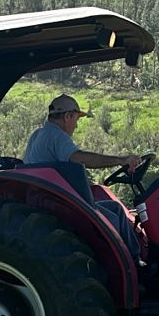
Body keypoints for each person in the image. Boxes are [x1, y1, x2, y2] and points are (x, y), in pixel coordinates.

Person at [23, 94, 144, 260]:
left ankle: (136, 259)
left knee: (116, 209)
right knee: (111, 220)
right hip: (59, 204)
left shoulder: (37, 134)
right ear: (67, 116)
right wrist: (120, 160)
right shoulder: (57, 136)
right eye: (76, 119)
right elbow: (78, 158)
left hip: (48, 197)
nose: (76, 126)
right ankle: (130, 263)